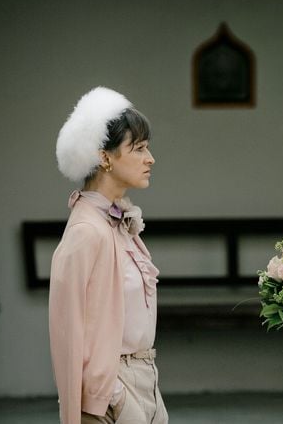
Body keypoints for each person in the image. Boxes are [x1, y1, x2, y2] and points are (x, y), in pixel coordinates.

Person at [49, 87, 168, 424]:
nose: (151, 158)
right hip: (112, 395)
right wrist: (113, 396)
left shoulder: (115, 222)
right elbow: (68, 334)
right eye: (140, 148)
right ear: (105, 157)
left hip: (145, 381)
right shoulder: (87, 231)